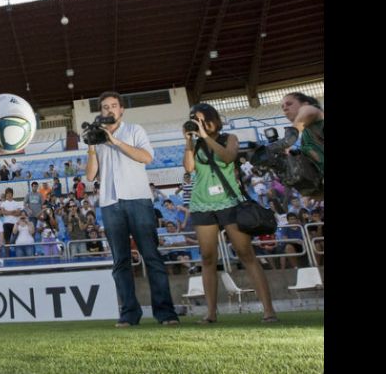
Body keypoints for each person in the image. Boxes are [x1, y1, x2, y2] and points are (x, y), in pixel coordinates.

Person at [85, 91, 179, 326]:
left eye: (114, 106)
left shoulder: (135, 130)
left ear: (121, 110)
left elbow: (146, 157)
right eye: (105, 107)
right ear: (100, 111)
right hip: (110, 202)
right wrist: (91, 145)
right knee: (120, 261)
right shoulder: (97, 136)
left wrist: (114, 141)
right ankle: (129, 313)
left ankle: (165, 313)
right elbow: (90, 175)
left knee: (151, 256)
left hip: (138, 199)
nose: (109, 110)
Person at [183, 103, 278, 324]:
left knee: (246, 254)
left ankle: (268, 310)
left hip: (229, 202)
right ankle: (211, 313)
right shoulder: (194, 144)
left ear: (213, 119)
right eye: (194, 120)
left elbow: (227, 157)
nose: (199, 124)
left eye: (202, 119)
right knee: (207, 258)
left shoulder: (229, 138)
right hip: (202, 204)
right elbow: (189, 168)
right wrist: (188, 141)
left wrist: (206, 136)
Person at [275, 92, 324, 196]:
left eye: (289, 104)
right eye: (282, 106)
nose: (285, 108)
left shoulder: (312, 110)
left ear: (305, 104)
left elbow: (308, 113)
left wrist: (288, 141)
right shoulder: (305, 139)